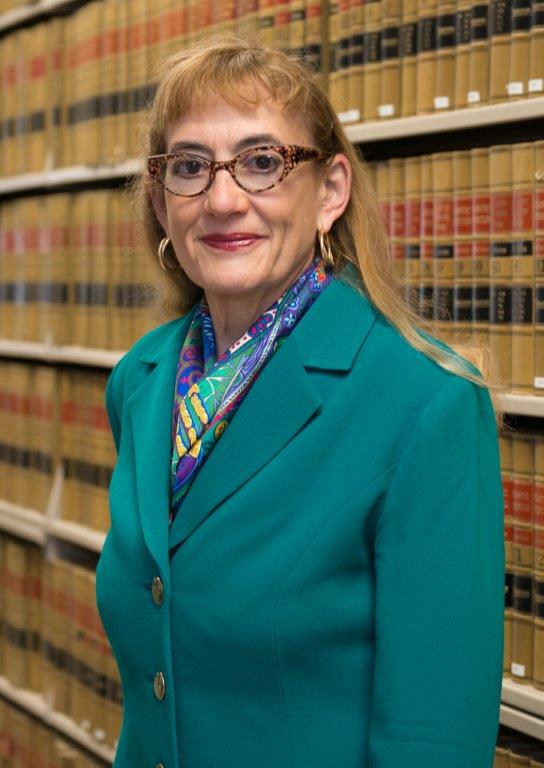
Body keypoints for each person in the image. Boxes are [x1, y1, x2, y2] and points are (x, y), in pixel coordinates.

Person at [95, 36, 506, 768]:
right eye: (190, 166)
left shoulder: (428, 404)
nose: (223, 199)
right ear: (160, 201)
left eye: (262, 162)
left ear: (330, 191)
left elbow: (434, 739)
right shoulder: (140, 380)